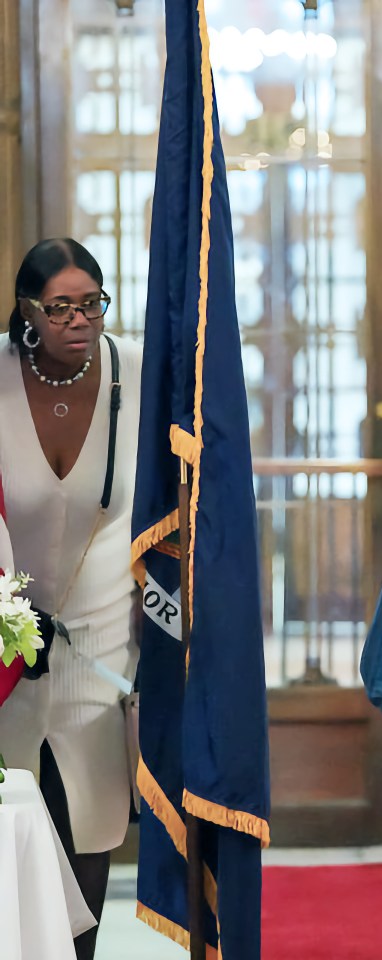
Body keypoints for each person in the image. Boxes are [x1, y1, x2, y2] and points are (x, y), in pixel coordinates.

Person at [0, 238, 142, 960]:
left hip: (99, 633)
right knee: (11, 821)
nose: (80, 319)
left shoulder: (135, 373)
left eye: (92, 303)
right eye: (60, 307)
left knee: (90, 819)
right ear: (27, 311)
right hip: (5, 635)